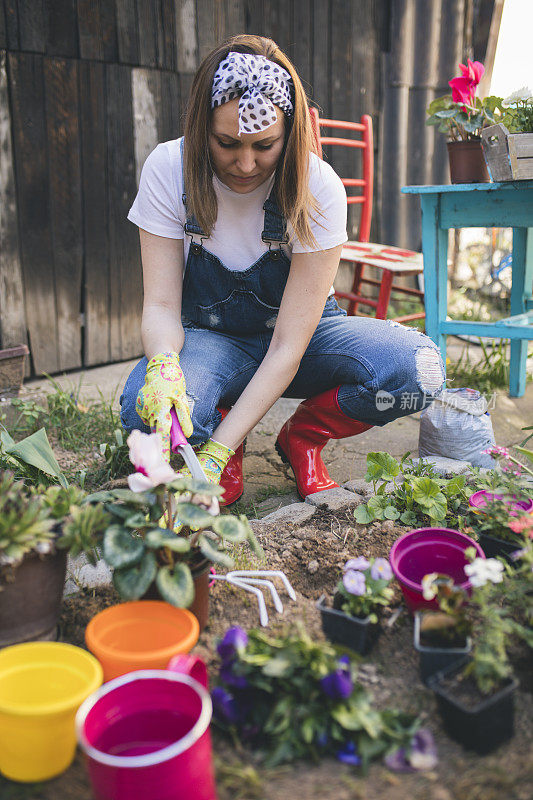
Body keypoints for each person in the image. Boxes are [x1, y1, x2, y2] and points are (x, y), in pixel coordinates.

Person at [120, 34, 445, 505]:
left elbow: (288, 348)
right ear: (200, 125)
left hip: (304, 341)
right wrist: (166, 363)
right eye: (226, 143)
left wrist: (213, 451)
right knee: (142, 414)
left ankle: (302, 438)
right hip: (210, 341)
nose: (245, 164)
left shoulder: (318, 187)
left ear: (288, 133)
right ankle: (225, 420)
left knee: (420, 372)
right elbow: (162, 305)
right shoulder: (168, 169)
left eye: (264, 145)